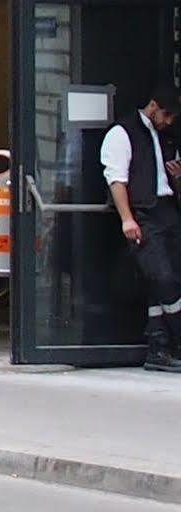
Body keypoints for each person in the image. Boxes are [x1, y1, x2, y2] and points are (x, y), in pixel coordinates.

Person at [100, 86, 181, 373]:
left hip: (168, 209)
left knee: (163, 279)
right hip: (143, 213)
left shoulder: (167, 136)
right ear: (153, 106)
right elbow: (116, 179)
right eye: (166, 114)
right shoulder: (122, 133)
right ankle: (175, 338)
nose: (169, 121)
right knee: (163, 276)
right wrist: (127, 218)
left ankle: (159, 347)